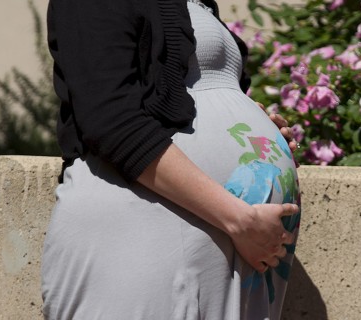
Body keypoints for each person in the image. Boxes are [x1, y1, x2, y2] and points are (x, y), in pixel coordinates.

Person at [41, 0, 301, 319]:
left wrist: (255, 129)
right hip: (142, 232)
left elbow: (180, 94)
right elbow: (111, 120)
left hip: (215, 243)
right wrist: (240, 219)